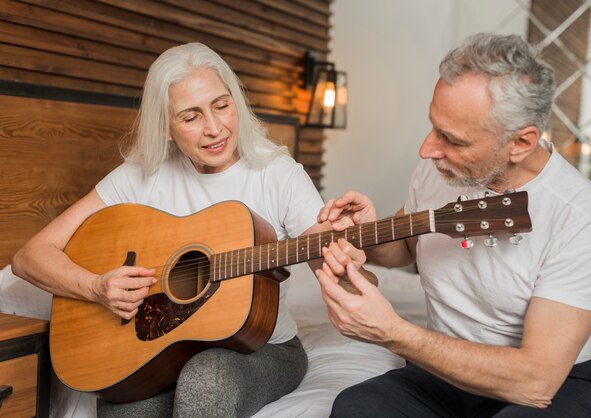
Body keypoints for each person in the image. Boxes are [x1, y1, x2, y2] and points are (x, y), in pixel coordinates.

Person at [11, 42, 363, 417]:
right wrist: (96, 288)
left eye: (222, 105)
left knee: (207, 376)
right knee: (126, 410)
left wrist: (350, 269)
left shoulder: (279, 175)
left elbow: (347, 283)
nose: (214, 129)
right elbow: (28, 257)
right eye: (190, 117)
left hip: (262, 349)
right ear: (164, 126)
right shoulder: (139, 177)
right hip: (160, 351)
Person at [315, 33, 591, 417]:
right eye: (433, 126)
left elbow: (536, 380)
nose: (427, 150)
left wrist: (392, 332)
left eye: (451, 139)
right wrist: (368, 232)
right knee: (356, 407)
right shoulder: (438, 170)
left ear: (521, 143)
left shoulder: (583, 215)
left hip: (544, 382)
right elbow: (404, 250)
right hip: (441, 369)